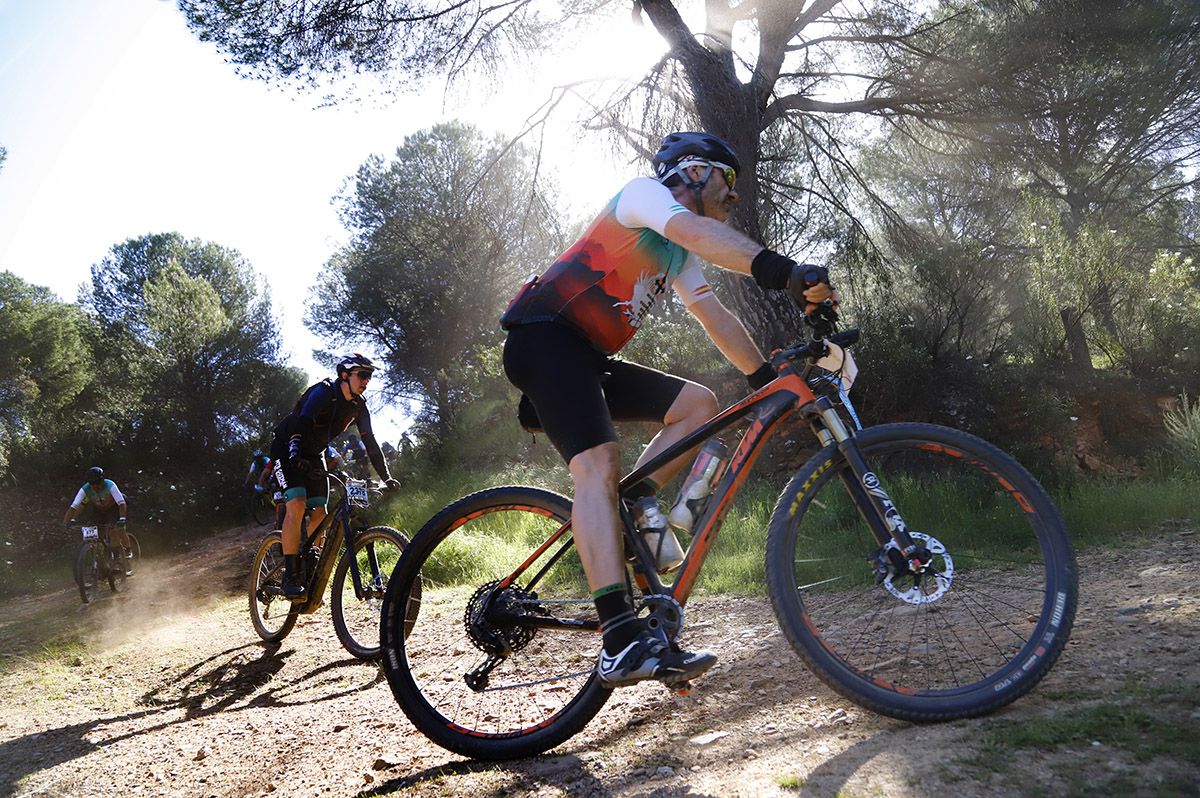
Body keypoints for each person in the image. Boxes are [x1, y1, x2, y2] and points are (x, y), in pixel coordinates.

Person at [500, 131, 836, 689]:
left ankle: (634, 500)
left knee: (698, 406)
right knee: (598, 465)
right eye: (729, 179)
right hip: (543, 338)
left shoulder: (676, 253)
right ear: (695, 172)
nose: (734, 195)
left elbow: (713, 315)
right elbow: (695, 231)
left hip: (584, 356)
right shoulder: (642, 197)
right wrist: (786, 273)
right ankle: (618, 641)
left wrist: (762, 379)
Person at [269, 354, 401, 599]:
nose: (367, 381)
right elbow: (302, 422)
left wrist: (386, 477)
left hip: (314, 454)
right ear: (344, 375)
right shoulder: (324, 392)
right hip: (287, 448)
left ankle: (310, 569)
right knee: (297, 503)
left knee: (320, 512)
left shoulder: (358, 406)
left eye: (370, 376)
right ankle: (290, 576)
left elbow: (371, 443)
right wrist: (295, 453)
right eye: (362, 375)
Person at [64, 466, 133, 575]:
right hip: (101, 509)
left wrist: (122, 519)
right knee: (97, 532)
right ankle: (102, 559)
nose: (95, 486)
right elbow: (75, 507)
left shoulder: (110, 485)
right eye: (93, 484)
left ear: (102, 480)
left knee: (115, 530)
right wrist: (69, 521)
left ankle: (124, 553)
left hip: (115, 507)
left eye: (98, 483)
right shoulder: (85, 489)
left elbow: (121, 503)